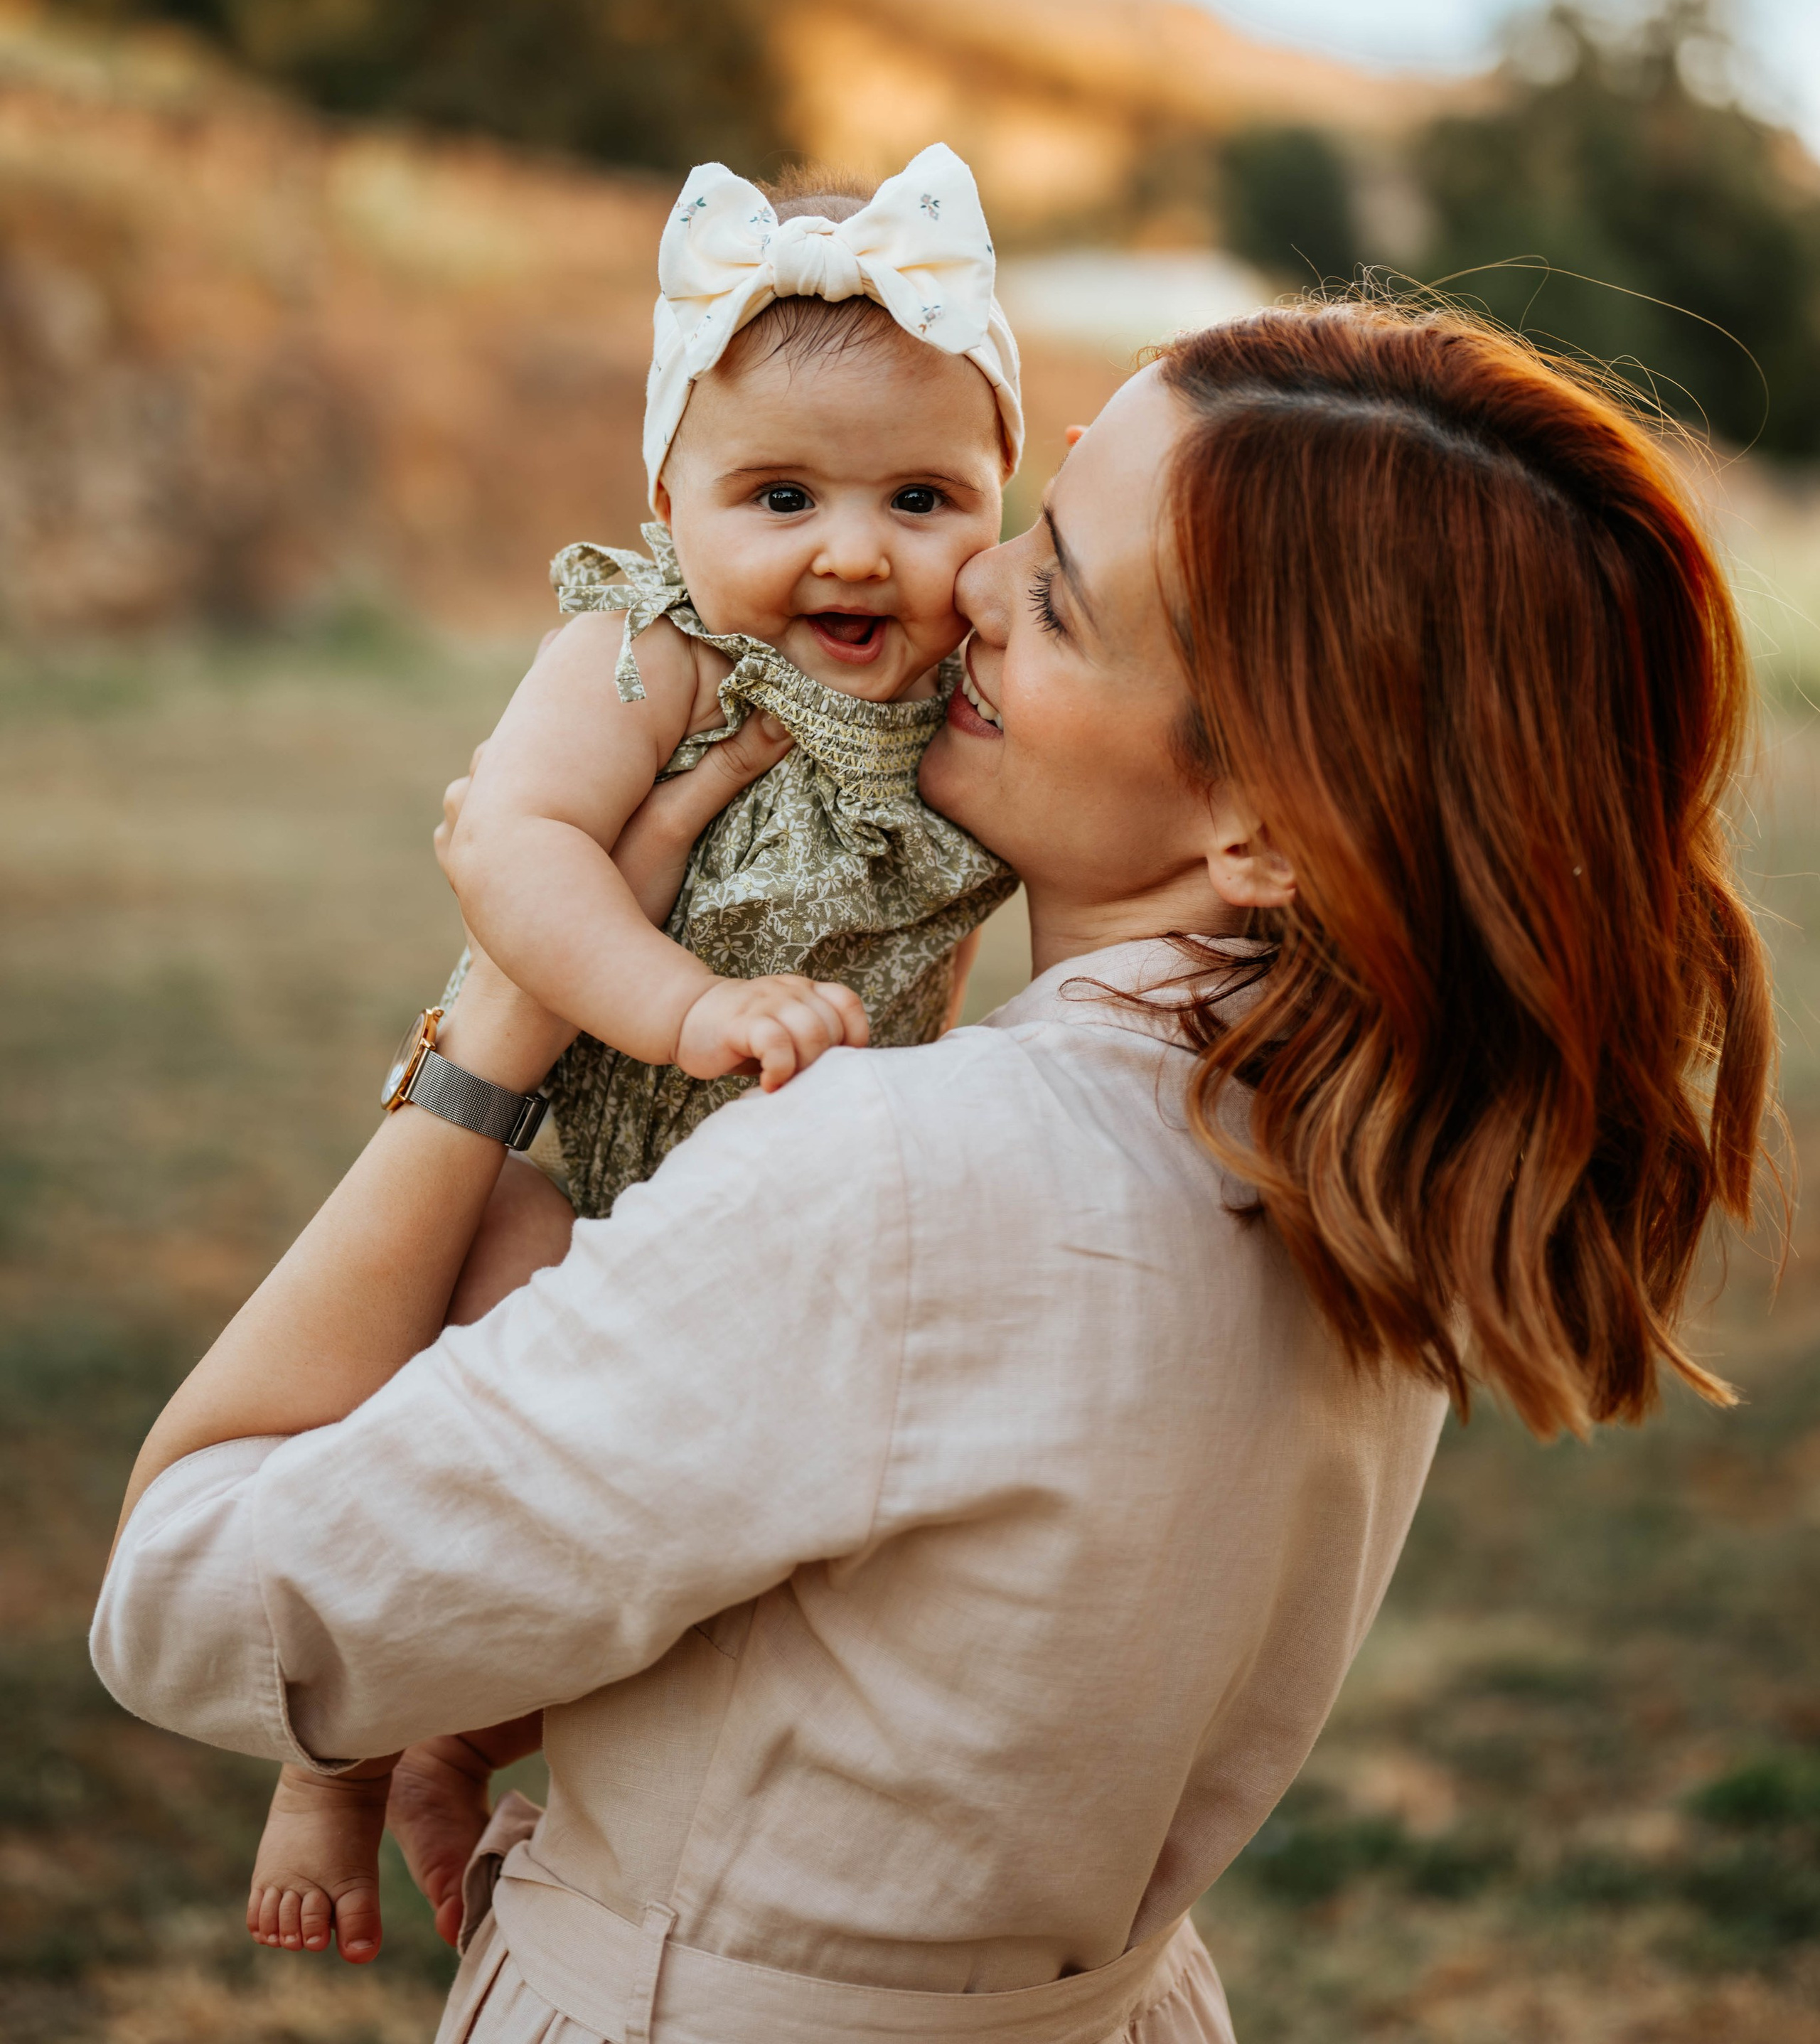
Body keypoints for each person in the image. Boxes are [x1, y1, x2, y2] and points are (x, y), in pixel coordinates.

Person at [94, 299, 1777, 2044]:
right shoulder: (1382, 1146)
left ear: (1262, 825)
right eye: (1027, 522)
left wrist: (494, 1024)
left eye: (1054, 595)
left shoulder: (890, 1176)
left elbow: (196, 1602)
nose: (963, 586)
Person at [237, 139, 1025, 1954]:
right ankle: (335, 1760)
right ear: (666, 497)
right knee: (484, 1416)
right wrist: (685, 1005)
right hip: (575, 1143)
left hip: (782, 1176)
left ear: (1000, 497)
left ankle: (469, 1741)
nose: (851, 548)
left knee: (673, 1521)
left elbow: (952, 938)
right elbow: (508, 844)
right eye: (776, 495)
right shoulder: (647, 646)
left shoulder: (965, 701)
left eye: (922, 495)